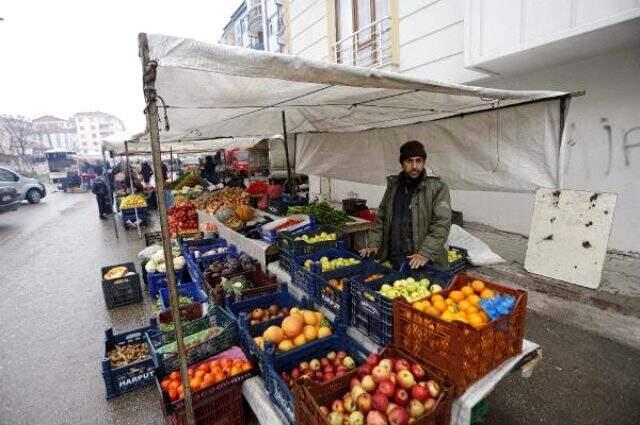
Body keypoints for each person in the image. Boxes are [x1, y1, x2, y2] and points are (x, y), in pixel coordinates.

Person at [359, 140, 451, 269]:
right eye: (409, 161)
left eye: (418, 160)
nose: (414, 166)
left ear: (423, 162)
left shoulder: (438, 188)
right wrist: (374, 244)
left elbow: (441, 224)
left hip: (426, 263)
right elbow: (381, 218)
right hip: (395, 260)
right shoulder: (393, 186)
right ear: (402, 164)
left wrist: (425, 253)